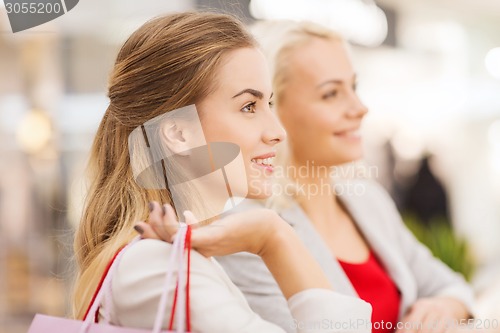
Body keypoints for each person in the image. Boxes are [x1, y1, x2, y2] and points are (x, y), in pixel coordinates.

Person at [71, 12, 371, 333]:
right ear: (178, 134)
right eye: (248, 107)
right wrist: (276, 238)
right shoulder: (157, 267)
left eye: (268, 104)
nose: (277, 132)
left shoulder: (178, 263)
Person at [214, 21, 475, 333]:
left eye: (354, 87)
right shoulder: (250, 228)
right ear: (274, 107)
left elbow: (453, 287)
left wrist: (444, 307)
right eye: (331, 94)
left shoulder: (367, 200)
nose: (360, 108)